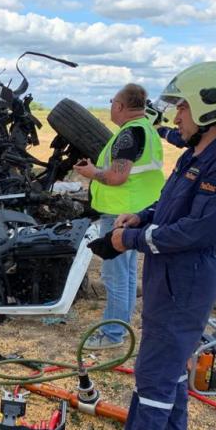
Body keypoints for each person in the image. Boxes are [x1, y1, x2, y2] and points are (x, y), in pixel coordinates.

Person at [86, 62, 216, 430]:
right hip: (168, 272)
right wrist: (139, 217)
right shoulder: (196, 154)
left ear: (207, 105)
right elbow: (167, 203)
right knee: (173, 366)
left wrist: (132, 239)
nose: (176, 115)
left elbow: (199, 231)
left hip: (188, 276)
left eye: (182, 106)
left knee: (154, 374)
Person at [74, 83, 165, 350]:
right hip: (135, 210)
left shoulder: (129, 135)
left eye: (112, 102)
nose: (111, 106)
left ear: (121, 106)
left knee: (115, 276)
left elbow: (116, 176)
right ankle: (120, 328)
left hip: (119, 214)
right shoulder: (146, 129)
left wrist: (91, 173)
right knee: (124, 275)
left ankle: (112, 334)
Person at [154, 123, 216, 313]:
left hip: (190, 264)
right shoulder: (193, 153)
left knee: (196, 234)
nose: (177, 119)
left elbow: (201, 230)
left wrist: (160, 130)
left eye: (182, 110)